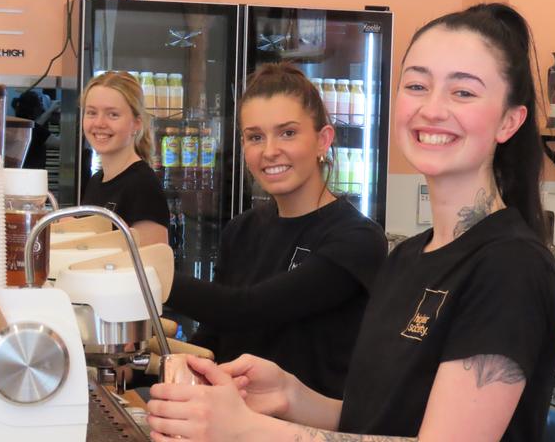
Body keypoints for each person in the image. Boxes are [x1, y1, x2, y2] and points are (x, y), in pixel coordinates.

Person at [146, 4, 555, 442]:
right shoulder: (407, 256)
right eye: (418, 85)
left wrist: (247, 430)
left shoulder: (509, 267)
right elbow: (378, 418)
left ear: (510, 120)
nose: (433, 109)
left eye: (463, 92)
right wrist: (290, 395)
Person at [161, 62, 388, 399]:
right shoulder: (242, 230)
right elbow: (216, 337)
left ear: (323, 140)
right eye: (255, 137)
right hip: (233, 425)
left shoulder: (357, 239)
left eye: (288, 133)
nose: (269, 151)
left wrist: (149, 277)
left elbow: (248, 310)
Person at [80, 71, 169, 246]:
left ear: (136, 123)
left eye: (112, 114)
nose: (99, 123)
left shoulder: (143, 186)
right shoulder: (96, 180)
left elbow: (152, 268)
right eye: (91, 113)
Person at [11, 90, 60, 169]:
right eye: (40, 104)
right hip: (32, 174)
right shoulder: (36, 130)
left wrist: (50, 111)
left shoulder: (17, 125)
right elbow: (60, 143)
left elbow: (36, 125)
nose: (42, 108)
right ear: (35, 109)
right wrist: (66, 121)